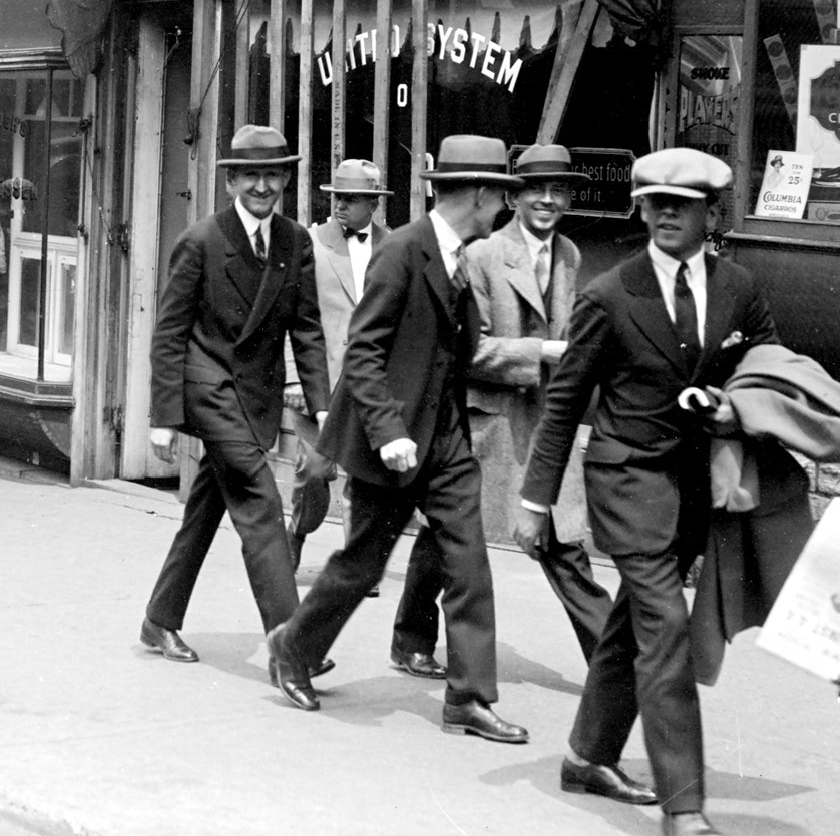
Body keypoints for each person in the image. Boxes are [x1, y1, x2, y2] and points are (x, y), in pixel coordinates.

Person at [516, 149, 778, 834]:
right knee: (665, 632)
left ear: (711, 214)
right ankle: (684, 807)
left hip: (696, 488)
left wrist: (733, 407)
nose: (663, 212)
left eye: (681, 203)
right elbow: (565, 402)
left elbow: (766, 370)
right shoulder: (608, 294)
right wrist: (535, 502)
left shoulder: (740, 289)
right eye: (653, 200)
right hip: (626, 481)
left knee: (633, 624)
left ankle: (587, 754)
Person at [267, 134, 528, 747]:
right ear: (481, 193)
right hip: (392, 442)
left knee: (469, 565)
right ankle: (293, 648)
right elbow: (363, 353)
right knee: (361, 564)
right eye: (502, 197)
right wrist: (387, 433)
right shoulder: (403, 252)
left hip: (445, 445)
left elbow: (457, 355)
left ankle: (468, 698)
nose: (504, 211)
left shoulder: (463, 255)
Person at [391, 144, 613, 678]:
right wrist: (543, 353)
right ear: (514, 197)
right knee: (446, 537)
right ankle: (412, 638)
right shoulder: (483, 254)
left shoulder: (569, 256)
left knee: (561, 541)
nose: (547, 200)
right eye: (536, 189)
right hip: (488, 423)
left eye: (559, 190)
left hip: (544, 422)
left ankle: (614, 663)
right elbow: (469, 352)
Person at [139, 125, 329, 665]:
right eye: (251, 176)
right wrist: (162, 416)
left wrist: (321, 403)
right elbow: (170, 333)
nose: (262, 186)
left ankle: (159, 620)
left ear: (286, 179)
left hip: (256, 396)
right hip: (208, 389)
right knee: (260, 499)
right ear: (231, 183)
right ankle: (293, 642)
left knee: (205, 511)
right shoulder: (201, 240)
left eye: (272, 175)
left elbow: (308, 328)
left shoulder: (295, 240)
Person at [284, 159, 391, 573]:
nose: (341, 206)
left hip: (369, 384)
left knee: (363, 480)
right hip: (318, 381)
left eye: (351, 198)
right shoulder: (310, 241)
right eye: (337, 197)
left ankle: (359, 564)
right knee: (314, 470)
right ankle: (296, 532)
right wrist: (293, 375)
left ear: (374, 204)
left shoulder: (394, 245)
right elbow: (289, 314)